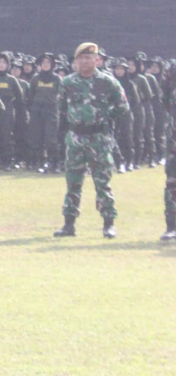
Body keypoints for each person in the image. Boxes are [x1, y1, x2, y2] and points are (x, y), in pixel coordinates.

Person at [54, 43, 129, 239]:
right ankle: (69, 225)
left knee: (102, 182)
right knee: (72, 183)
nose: (84, 61)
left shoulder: (108, 82)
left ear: (97, 60)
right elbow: (61, 107)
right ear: (76, 61)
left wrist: (105, 116)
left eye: (89, 58)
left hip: (99, 139)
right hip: (76, 138)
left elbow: (122, 106)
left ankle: (108, 224)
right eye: (81, 58)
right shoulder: (68, 83)